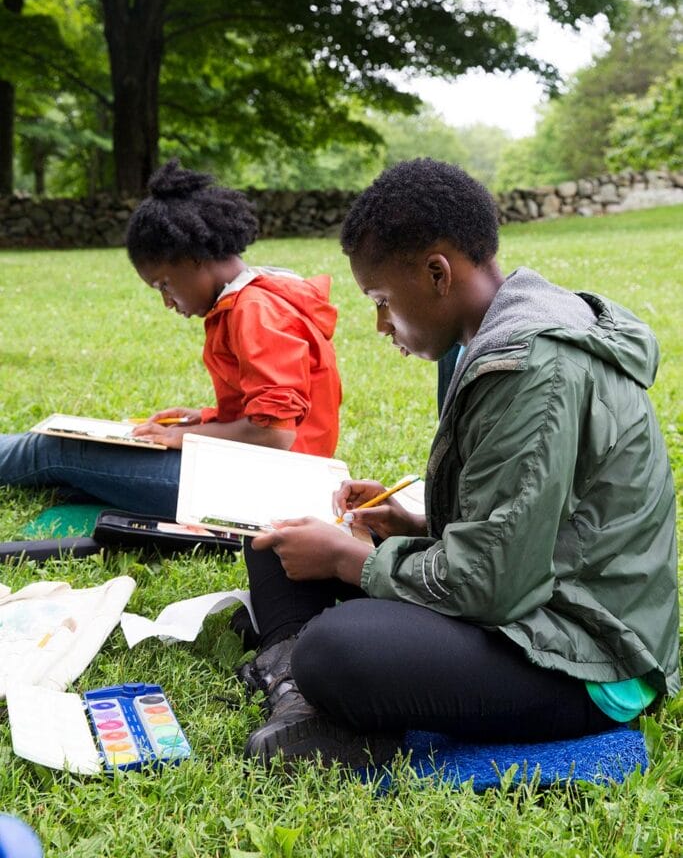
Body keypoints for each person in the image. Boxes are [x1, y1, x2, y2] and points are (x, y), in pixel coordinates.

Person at [236, 157, 679, 768]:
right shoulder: (483, 341)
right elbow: (520, 526)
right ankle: (300, 701)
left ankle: (306, 683)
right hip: (527, 597)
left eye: (383, 299)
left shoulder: (531, 367)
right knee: (274, 543)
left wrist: (353, 561)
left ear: (438, 273)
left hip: (588, 653)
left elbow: (495, 584)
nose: (380, 323)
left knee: (337, 648)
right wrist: (409, 527)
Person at [0, 160, 342, 517]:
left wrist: (187, 439)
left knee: (56, 450)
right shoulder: (260, 297)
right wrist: (204, 419)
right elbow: (276, 414)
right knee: (75, 458)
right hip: (266, 476)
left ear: (194, 256)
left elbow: (276, 435)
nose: (167, 302)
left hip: (267, 490)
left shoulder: (255, 309)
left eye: (164, 285)